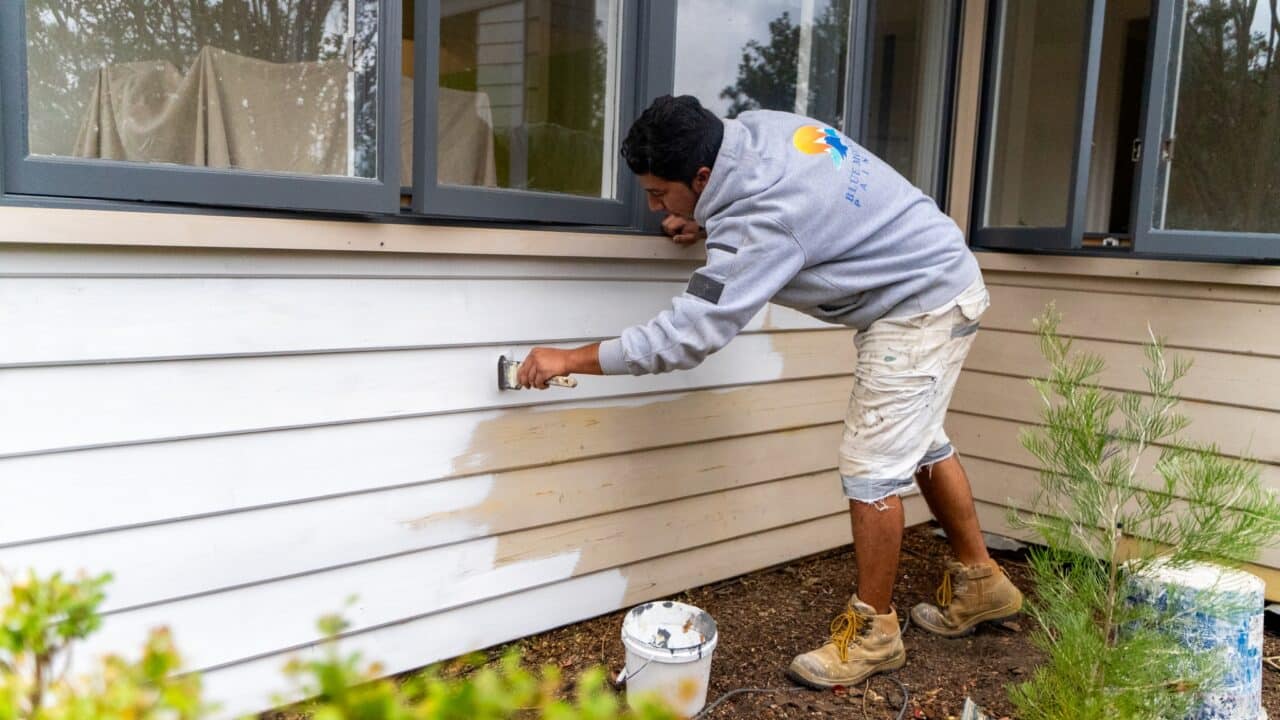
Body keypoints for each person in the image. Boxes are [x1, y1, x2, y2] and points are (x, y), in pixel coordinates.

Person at [515, 95, 1023, 688]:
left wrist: (568, 358)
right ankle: (982, 583)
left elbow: (684, 337)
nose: (655, 208)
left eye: (660, 194)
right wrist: (705, 219)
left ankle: (875, 635)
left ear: (702, 177)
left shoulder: (762, 220)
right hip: (940, 270)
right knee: (918, 439)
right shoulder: (757, 130)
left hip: (921, 304)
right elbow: (794, 212)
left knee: (872, 468)